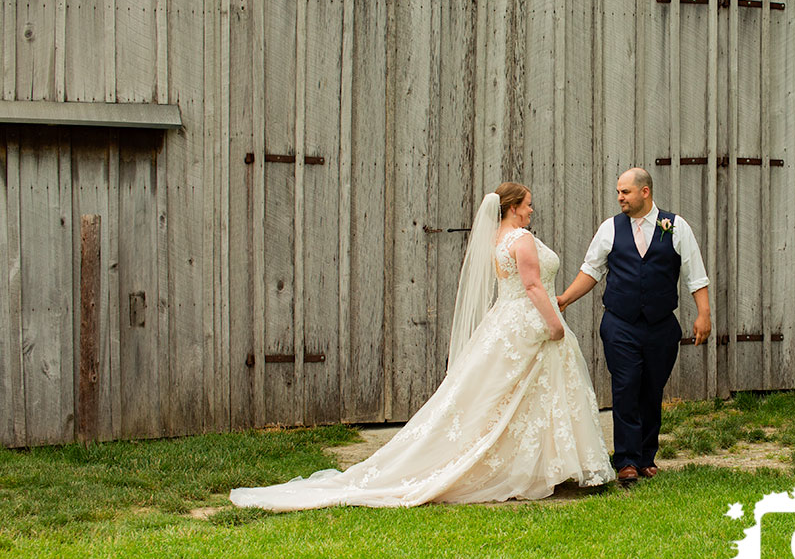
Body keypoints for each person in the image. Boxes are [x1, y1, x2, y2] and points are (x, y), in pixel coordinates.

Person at [230, 183, 615, 510]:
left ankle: (538, 465)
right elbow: (532, 286)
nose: (532, 210)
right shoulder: (522, 239)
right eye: (527, 204)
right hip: (530, 322)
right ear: (513, 208)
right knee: (526, 396)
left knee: (514, 397)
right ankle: (532, 467)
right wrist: (554, 324)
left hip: (508, 323)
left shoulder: (498, 240)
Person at [557, 168, 711, 484]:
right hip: (620, 323)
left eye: (625, 192)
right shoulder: (610, 228)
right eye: (618, 192)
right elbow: (592, 269)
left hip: (661, 325)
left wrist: (703, 314)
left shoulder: (675, 226)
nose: (619, 198)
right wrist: (564, 299)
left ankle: (645, 457)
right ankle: (625, 460)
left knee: (652, 388)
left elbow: (695, 273)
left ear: (645, 192)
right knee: (626, 385)